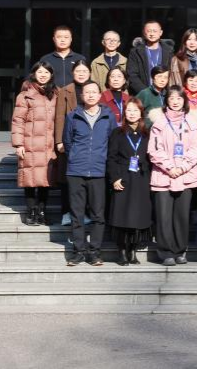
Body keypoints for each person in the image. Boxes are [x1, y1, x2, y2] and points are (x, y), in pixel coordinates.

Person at [61, 80, 115, 266]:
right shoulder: (72, 116)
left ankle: (94, 252)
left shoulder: (108, 117)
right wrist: (76, 158)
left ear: (100, 95)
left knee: (98, 215)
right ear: (82, 96)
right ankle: (78, 251)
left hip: (99, 171)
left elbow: (112, 142)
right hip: (76, 171)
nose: (91, 95)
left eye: (94, 92)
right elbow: (67, 142)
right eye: (87, 92)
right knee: (77, 214)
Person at [148, 86, 197, 266]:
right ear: (166, 101)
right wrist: (170, 167)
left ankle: (180, 250)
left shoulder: (192, 123)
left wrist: (182, 167)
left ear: (184, 101)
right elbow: (154, 150)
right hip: (164, 175)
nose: (175, 101)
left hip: (185, 176)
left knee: (181, 216)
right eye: (172, 98)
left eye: (179, 98)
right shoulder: (159, 123)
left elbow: (195, 150)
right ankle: (165, 252)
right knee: (163, 216)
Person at [11, 61, 57, 227]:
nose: (43, 75)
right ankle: (31, 212)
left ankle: (42, 212)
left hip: (49, 144)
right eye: (40, 72)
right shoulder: (25, 95)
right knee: (29, 180)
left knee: (45, 180)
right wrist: (18, 144)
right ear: (34, 74)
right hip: (30, 144)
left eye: (46, 72)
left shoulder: (55, 94)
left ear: (51, 75)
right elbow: (18, 121)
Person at [106, 98, 152, 266]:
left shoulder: (147, 134)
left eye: (135, 110)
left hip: (141, 177)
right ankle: (122, 251)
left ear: (141, 113)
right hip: (123, 176)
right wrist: (114, 178)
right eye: (129, 110)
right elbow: (111, 157)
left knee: (138, 215)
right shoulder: (117, 133)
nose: (132, 114)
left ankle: (133, 250)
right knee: (122, 214)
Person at [53, 59, 91, 225]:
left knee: (88, 179)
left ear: (89, 73)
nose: (81, 74)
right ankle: (66, 212)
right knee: (67, 178)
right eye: (78, 71)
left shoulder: (94, 89)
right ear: (72, 73)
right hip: (70, 140)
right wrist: (59, 141)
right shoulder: (65, 91)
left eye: (84, 71)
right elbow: (59, 117)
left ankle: (86, 212)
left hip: (89, 141)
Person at [126, 20, 174, 95]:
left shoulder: (169, 52)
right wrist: (146, 93)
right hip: (143, 94)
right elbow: (132, 75)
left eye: (155, 31)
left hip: (164, 94)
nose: (152, 34)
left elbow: (172, 74)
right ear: (144, 33)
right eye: (149, 31)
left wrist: (167, 92)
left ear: (161, 32)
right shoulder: (135, 52)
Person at [37, 25, 86, 89]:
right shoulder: (46, 59)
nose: (62, 40)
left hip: (75, 94)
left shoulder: (80, 58)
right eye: (59, 37)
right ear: (54, 39)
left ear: (71, 39)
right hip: (52, 93)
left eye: (66, 37)